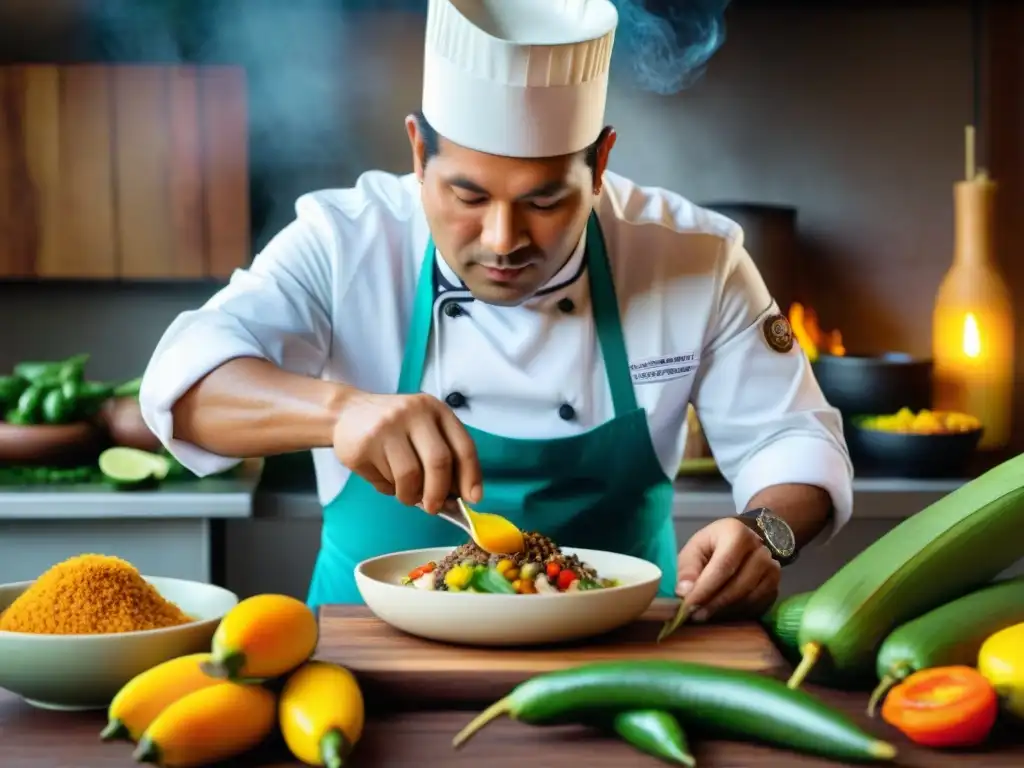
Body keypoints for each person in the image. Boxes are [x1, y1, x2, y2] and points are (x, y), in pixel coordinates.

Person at [139, 0, 852, 621]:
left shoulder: (693, 257)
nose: (503, 240)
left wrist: (764, 532)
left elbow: (790, 438)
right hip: (367, 654)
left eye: (545, 201)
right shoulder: (345, 240)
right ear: (418, 153)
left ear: (599, 163)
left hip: (618, 652)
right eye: (468, 197)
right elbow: (184, 386)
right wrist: (340, 412)